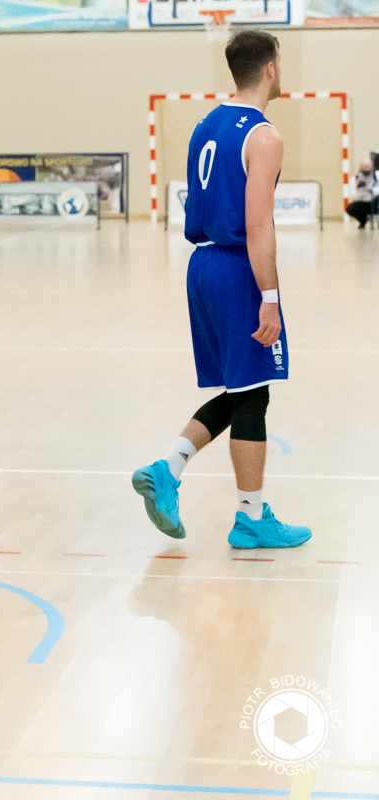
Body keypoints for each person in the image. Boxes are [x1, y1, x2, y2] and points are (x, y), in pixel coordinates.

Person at [132, 30, 310, 550]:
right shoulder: (264, 136)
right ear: (270, 68)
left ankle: (169, 468)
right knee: (253, 395)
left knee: (243, 389)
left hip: (201, 264)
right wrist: (270, 298)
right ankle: (250, 518)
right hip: (236, 268)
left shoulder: (204, 125)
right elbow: (258, 225)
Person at [345, 160, 374, 229]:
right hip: (361, 202)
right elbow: (353, 195)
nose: (367, 169)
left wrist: (370, 189)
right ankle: (363, 220)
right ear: (361, 167)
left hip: (373, 202)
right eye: (365, 167)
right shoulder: (355, 178)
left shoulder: (375, 178)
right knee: (349, 208)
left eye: (368, 167)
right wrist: (358, 188)